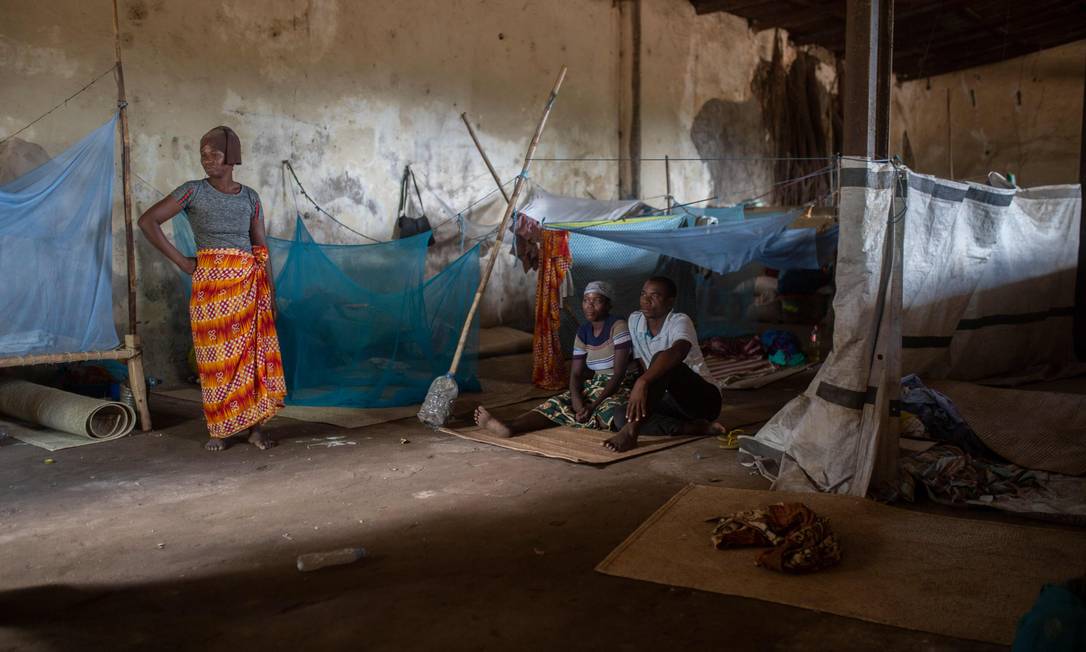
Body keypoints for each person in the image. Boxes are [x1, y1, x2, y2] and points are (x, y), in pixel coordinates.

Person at [137, 126, 286, 452]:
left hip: (248, 285)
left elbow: (261, 248)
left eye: (214, 155)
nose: (207, 161)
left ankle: (255, 429)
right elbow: (148, 221)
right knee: (214, 359)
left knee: (250, 358)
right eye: (203, 155)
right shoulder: (192, 192)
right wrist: (183, 262)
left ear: (231, 158)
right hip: (211, 290)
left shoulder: (250, 197)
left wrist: (270, 295)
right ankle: (219, 429)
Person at [475, 281, 636, 436]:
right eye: (586, 300)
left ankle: (591, 418)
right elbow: (575, 374)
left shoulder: (618, 326)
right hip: (595, 385)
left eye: (597, 301)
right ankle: (511, 426)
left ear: (608, 305)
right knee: (557, 403)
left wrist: (593, 405)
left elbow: (619, 373)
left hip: (619, 387)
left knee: (610, 411)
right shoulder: (583, 332)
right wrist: (577, 401)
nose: (589, 305)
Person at [603, 276, 724, 452]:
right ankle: (693, 428)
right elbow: (641, 361)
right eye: (643, 294)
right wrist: (645, 394)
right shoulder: (635, 320)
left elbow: (679, 351)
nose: (646, 300)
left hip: (702, 400)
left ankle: (631, 432)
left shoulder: (679, 321)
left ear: (669, 302)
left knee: (663, 360)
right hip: (670, 400)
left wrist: (642, 381)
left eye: (655, 296)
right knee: (622, 415)